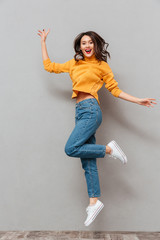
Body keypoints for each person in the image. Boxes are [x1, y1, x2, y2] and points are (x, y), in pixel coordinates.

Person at [37, 29, 157, 227]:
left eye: (90, 42)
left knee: (71, 148)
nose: (87, 46)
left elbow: (115, 90)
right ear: (80, 47)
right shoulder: (74, 63)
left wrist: (138, 100)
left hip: (91, 110)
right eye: (83, 43)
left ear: (95, 45)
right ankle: (94, 201)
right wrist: (43, 42)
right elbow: (49, 66)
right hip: (80, 112)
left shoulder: (102, 66)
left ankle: (109, 149)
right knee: (88, 161)